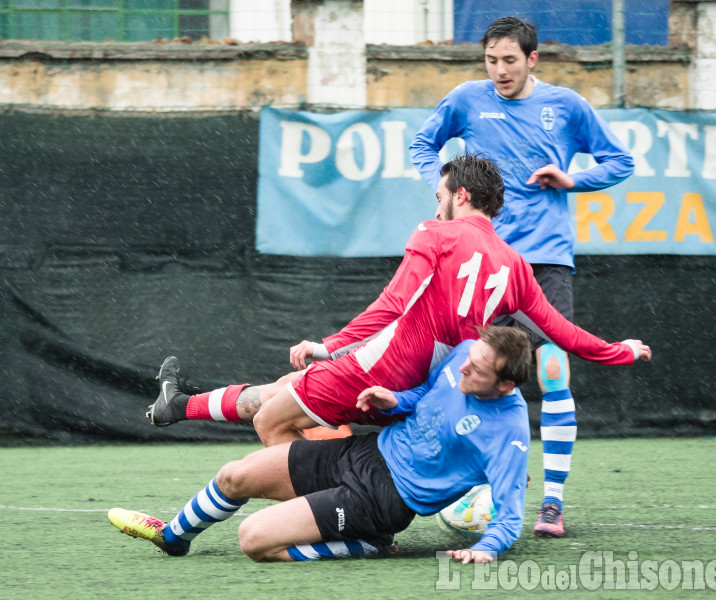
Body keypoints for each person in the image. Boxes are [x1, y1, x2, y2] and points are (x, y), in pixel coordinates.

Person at [147, 154, 650, 452]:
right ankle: (179, 406)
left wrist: (331, 345)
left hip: (387, 367)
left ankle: (339, 512)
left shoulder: (437, 232)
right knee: (284, 388)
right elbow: (563, 334)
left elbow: (394, 301)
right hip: (433, 386)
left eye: (441, 193)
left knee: (271, 421)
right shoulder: (516, 264)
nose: (436, 203)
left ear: (463, 196)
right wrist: (621, 350)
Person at [409, 16, 635, 538]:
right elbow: (424, 146)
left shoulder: (566, 106)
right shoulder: (467, 99)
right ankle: (458, 483)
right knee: (462, 370)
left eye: (510, 60)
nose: (500, 71)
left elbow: (620, 161)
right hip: (482, 257)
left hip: (546, 261)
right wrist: (441, 187)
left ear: (533, 59)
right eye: (491, 61)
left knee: (552, 370)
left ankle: (551, 503)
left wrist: (572, 178)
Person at [110, 327, 535, 564]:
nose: (464, 365)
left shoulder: (509, 433)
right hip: (365, 452)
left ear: (505, 384)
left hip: (384, 500)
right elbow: (425, 392)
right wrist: (396, 399)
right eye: (469, 356)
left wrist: (485, 550)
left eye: (477, 370)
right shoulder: (466, 352)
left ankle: (370, 541)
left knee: (254, 540)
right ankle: (173, 538)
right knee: (233, 475)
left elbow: (510, 516)